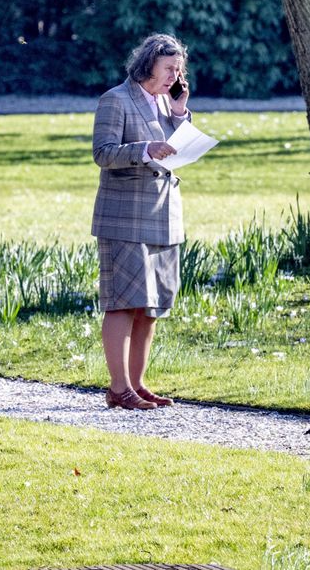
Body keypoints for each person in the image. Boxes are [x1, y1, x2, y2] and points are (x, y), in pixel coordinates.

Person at [90, 33, 191, 410]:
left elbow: (179, 148)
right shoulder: (116, 100)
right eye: (169, 68)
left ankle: (137, 384)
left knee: (151, 306)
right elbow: (103, 153)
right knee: (123, 302)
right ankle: (118, 389)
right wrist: (144, 150)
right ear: (149, 64)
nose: (174, 75)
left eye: (178, 69)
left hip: (164, 217)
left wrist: (180, 111)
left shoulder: (168, 104)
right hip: (125, 218)